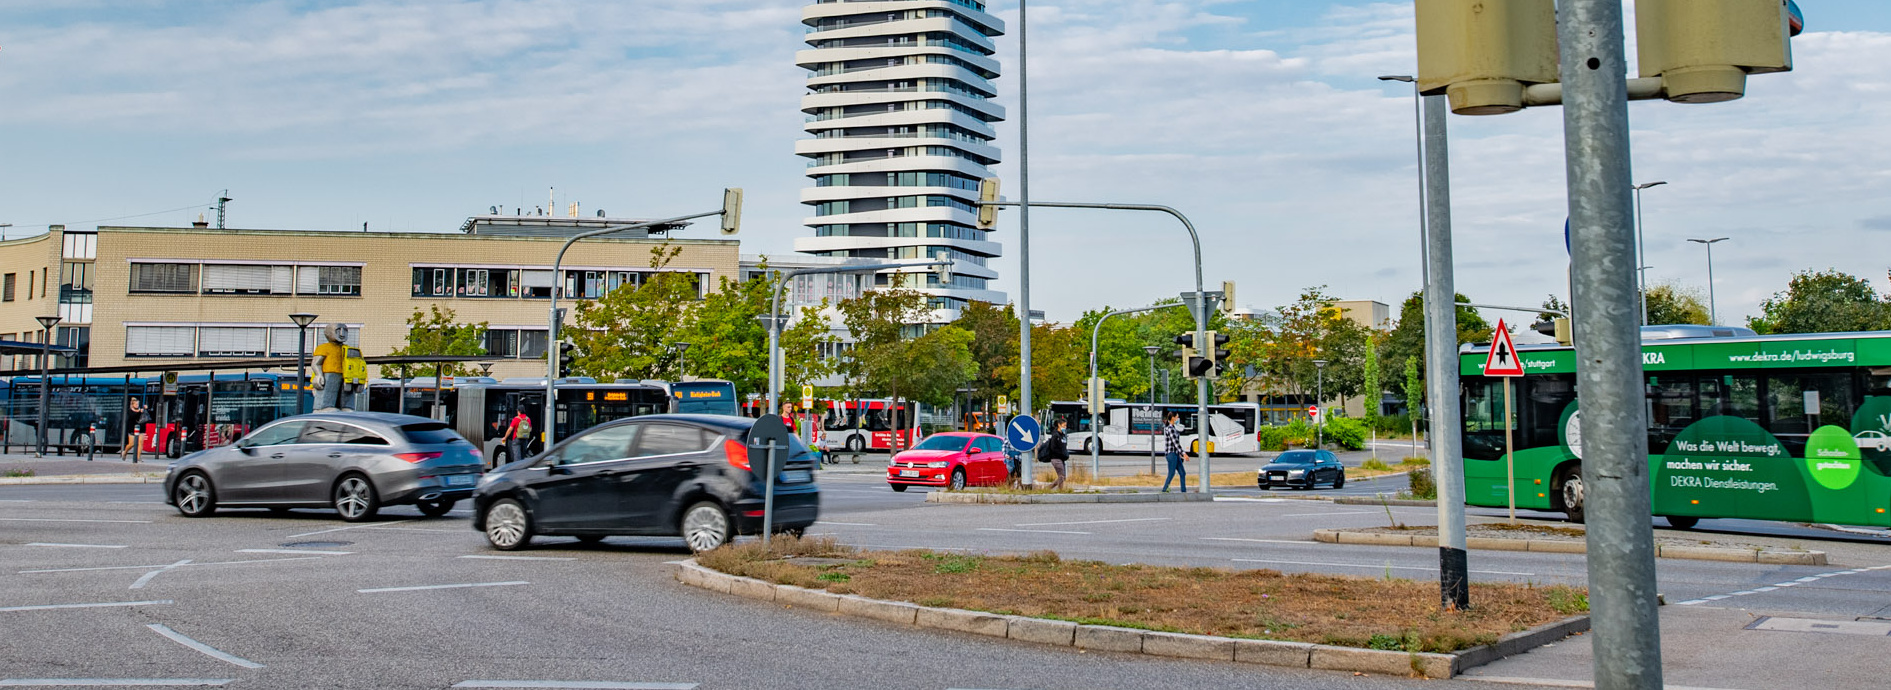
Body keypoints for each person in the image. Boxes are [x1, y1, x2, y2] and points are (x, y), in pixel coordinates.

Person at [1161, 411, 1189, 492]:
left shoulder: (1173, 428)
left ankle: (1183, 491)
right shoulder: (1170, 429)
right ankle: (1164, 490)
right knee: (1171, 473)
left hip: (1175, 454)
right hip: (1171, 454)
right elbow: (1175, 443)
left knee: (1182, 473)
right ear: (1173, 418)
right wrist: (1184, 454)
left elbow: (1176, 444)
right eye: (1177, 417)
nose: (1178, 418)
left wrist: (1179, 454)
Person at [1044, 418, 1072, 491]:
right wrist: (1061, 453)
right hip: (1056, 458)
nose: (1065, 427)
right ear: (1059, 425)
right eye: (1064, 425)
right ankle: (1049, 488)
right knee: (1061, 476)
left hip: (1062, 458)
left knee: (1063, 477)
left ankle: (1059, 489)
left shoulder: (1062, 435)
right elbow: (1053, 448)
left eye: (1066, 426)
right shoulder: (1055, 435)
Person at [120, 397, 149, 463]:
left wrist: (145, 409)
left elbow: (146, 416)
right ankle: (125, 452)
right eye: (135, 404)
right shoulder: (130, 411)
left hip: (141, 428)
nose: (137, 405)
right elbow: (133, 417)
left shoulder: (141, 409)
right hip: (132, 429)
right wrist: (139, 412)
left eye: (138, 404)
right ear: (132, 405)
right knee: (131, 444)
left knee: (140, 443)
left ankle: (138, 457)